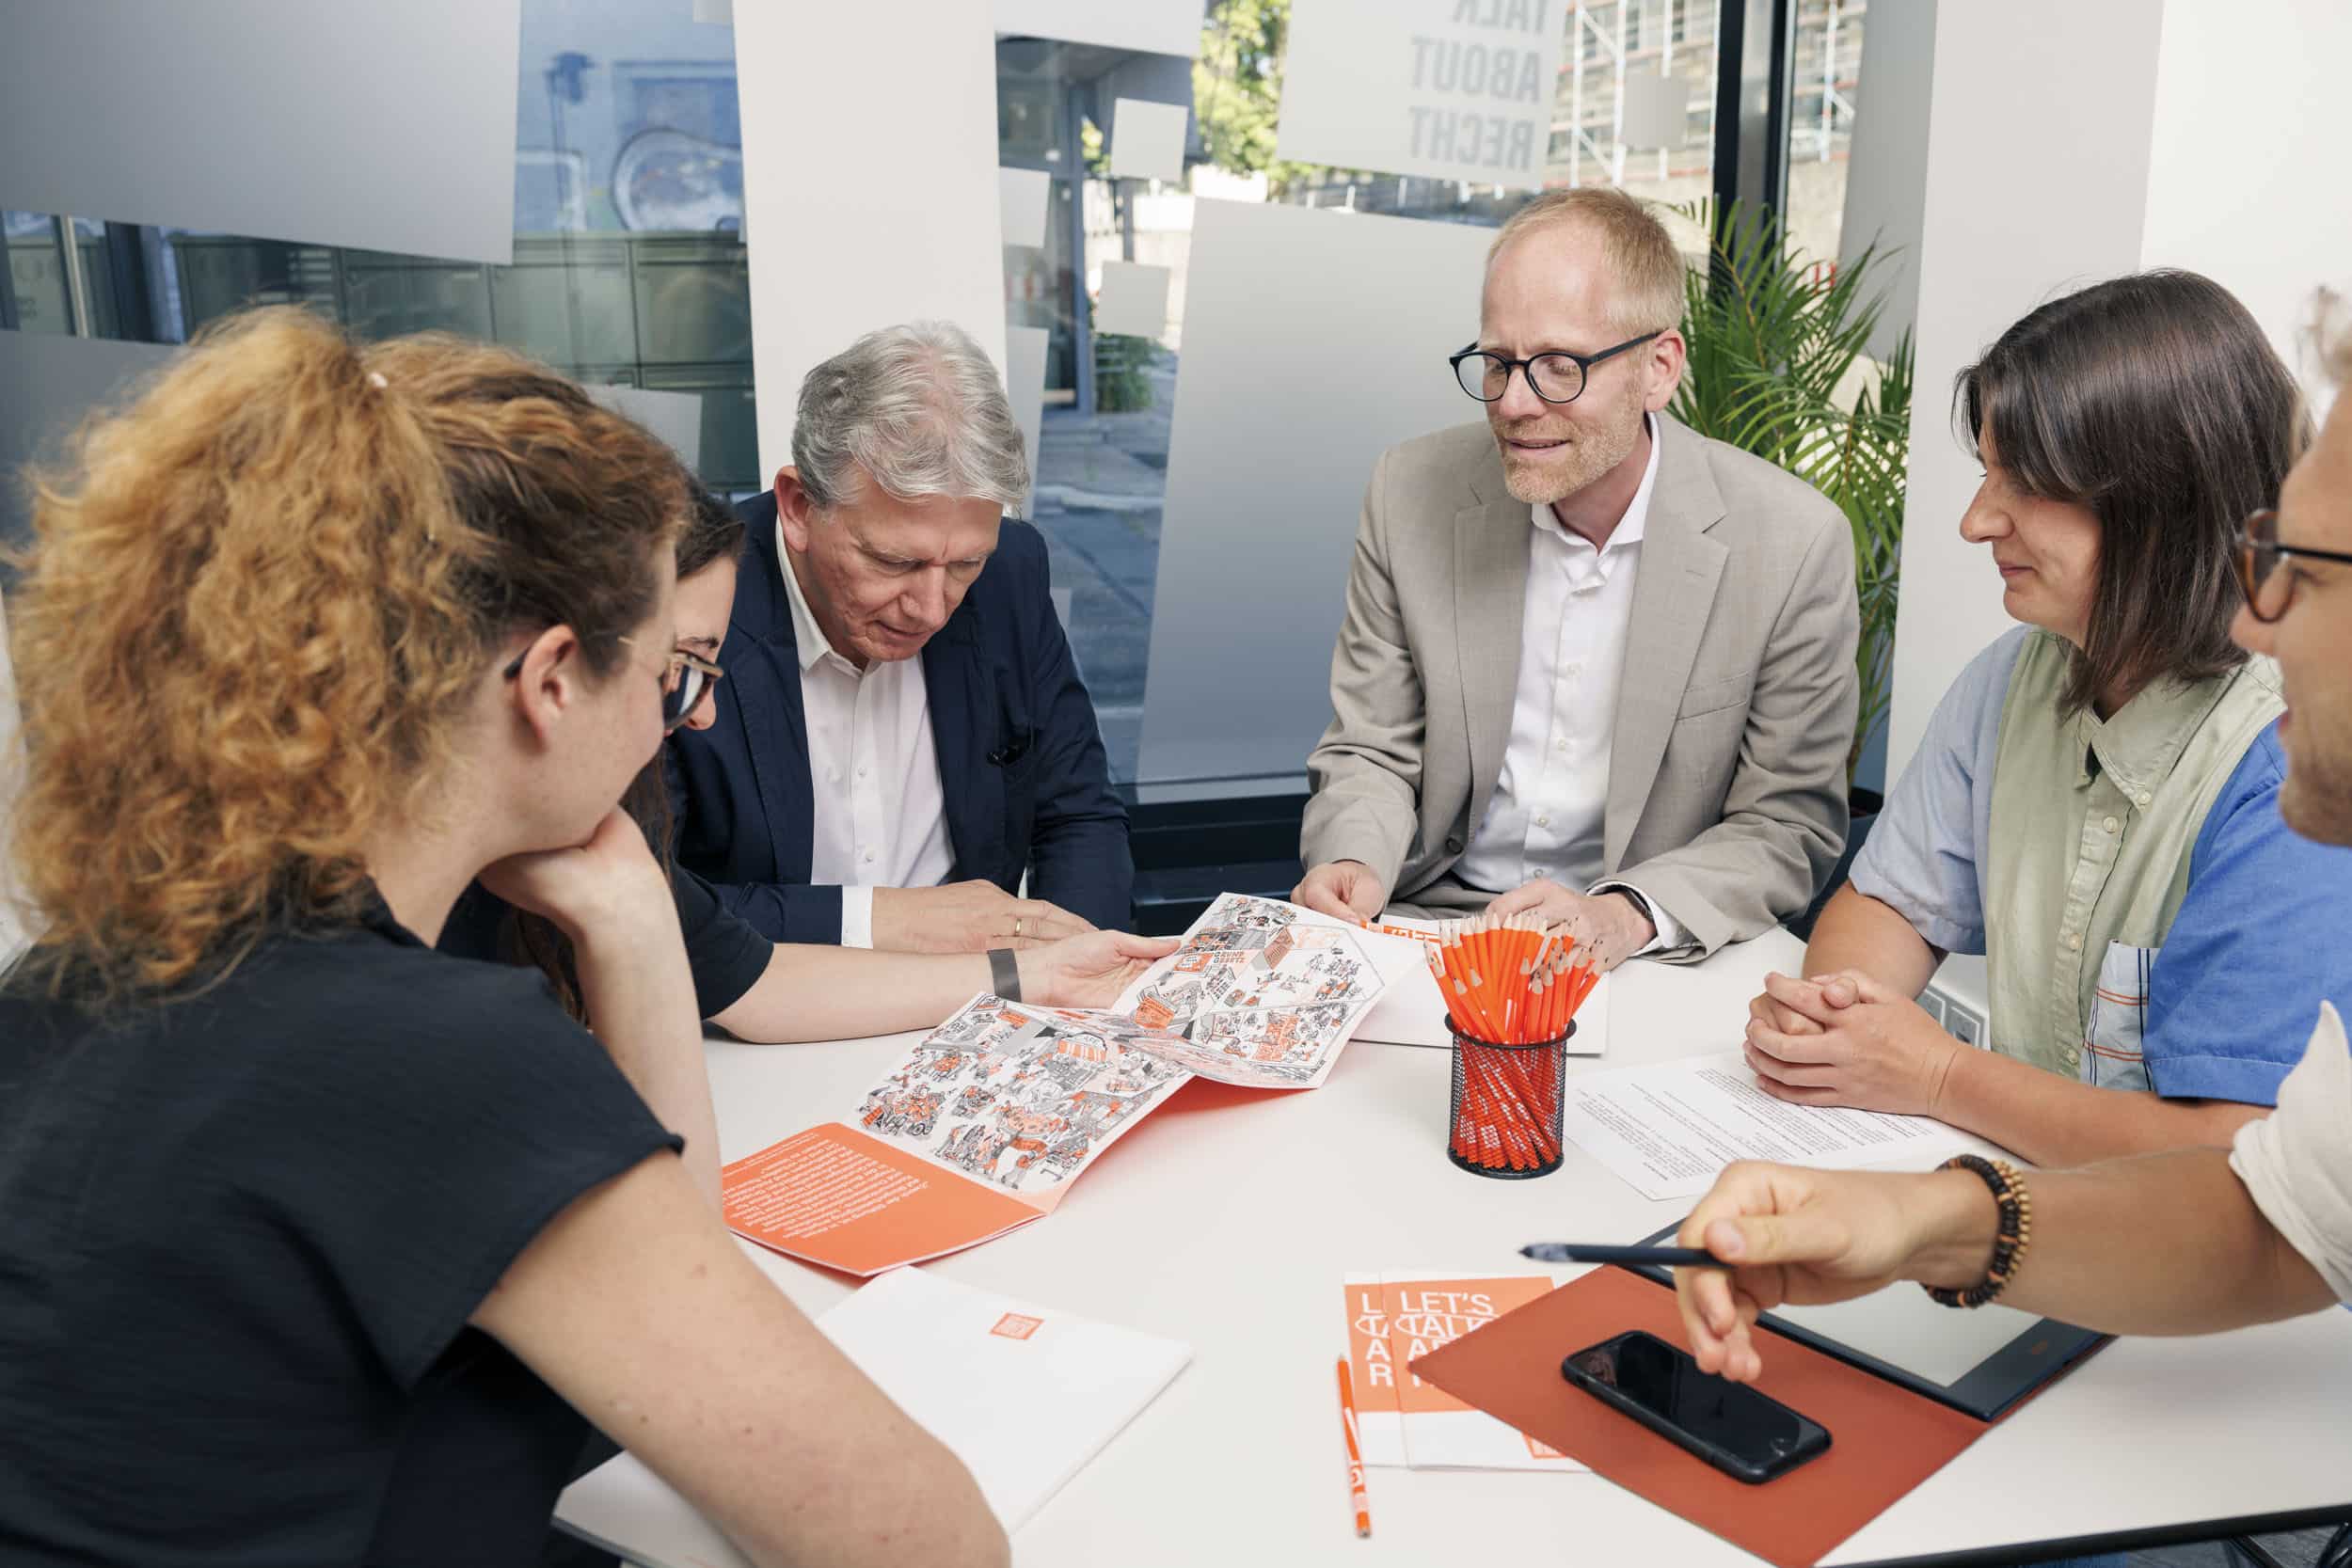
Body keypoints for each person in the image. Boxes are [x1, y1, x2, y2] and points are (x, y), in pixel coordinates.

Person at [0, 309, 1008, 1566]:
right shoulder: (433, 1063)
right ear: (546, 681)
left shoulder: (76, 976)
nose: (685, 725)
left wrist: (635, 912)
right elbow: (923, 1538)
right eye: (669, 679)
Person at [1673, 293, 2352, 1386]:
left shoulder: (2287, 762)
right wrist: (1856, 1073)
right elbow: (2279, 1209)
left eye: (2304, 569)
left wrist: (1936, 1075)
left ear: (2163, 508)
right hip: (2049, 1250)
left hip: (2184, 1372)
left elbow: (2238, 1171)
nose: (1976, 521)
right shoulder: (2019, 681)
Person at [1294, 186, 1858, 970]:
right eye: (1497, 362)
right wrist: (1353, 858)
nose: (1516, 403)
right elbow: (1372, 750)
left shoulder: (1793, 543)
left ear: (1658, 369)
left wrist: (1625, 915)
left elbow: (1786, 824)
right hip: (1429, 923)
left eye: (1559, 366)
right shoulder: (1408, 491)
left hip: (1646, 947)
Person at [442, 480, 1174, 1038]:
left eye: (964, 566)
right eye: (687, 668)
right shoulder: (436, 947)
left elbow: (751, 979)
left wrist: (1041, 976)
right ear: (549, 677)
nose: (702, 712)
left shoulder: (589, 863)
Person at [667, 322, 1132, 954]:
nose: (931, 608)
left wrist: (1080, 978)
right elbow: (648, 898)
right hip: (761, 1015)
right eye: (894, 562)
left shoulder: (1011, 574)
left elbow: (1078, 816)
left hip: (973, 1012)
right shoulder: (694, 602)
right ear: (800, 507)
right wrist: (879, 919)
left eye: (964, 564)